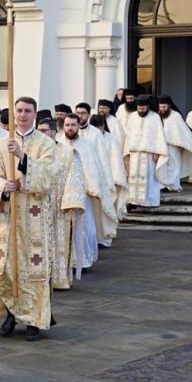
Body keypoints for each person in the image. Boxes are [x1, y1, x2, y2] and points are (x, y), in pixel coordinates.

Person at [0, 97, 57, 341]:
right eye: (19, 111)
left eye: (27, 111)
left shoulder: (45, 143)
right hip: (11, 215)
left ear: (35, 114)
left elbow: (49, 177)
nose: (23, 115)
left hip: (35, 217)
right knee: (7, 267)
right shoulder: (1, 145)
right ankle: (12, 313)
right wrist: (5, 185)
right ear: (13, 113)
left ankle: (35, 320)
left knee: (34, 269)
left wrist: (24, 157)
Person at [60, 113, 117, 267]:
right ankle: (65, 263)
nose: (70, 128)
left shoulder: (86, 145)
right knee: (64, 230)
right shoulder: (57, 144)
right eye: (67, 125)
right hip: (62, 195)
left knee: (87, 229)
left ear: (79, 126)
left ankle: (83, 261)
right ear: (63, 126)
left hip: (84, 195)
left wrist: (95, 189)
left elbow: (94, 168)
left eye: (73, 125)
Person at [37, 117, 86, 290]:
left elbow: (75, 176)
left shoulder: (67, 152)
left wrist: (70, 202)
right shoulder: (32, 152)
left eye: (44, 131)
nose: (41, 135)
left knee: (60, 243)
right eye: (39, 131)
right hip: (37, 208)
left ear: (54, 132)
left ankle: (59, 279)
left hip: (60, 207)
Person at [123, 94, 169, 207]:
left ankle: (150, 201)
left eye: (143, 108)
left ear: (148, 106)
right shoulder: (132, 116)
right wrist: (127, 151)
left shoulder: (155, 117)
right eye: (139, 108)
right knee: (133, 177)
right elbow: (128, 134)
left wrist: (158, 152)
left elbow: (159, 135)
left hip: (149, 153)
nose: (141, 110)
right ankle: (133, 201)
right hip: (134, 153)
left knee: (150, 178)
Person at [157, 95, 192, 192]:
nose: (162, 109)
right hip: (161, 146)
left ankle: (173, 186)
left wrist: (182, 144)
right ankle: (162, 186)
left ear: (169, 106)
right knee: (162, 166)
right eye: (160, 107)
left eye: (164, 107)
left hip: (174, 146)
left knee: (174, 165)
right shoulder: (157, 116)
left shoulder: (176, 116)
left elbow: (182, 131)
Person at [90, 113, 129, 223]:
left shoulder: (111, 139)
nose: (98, 130)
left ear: (103, 126)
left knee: (107, 205)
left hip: (108, 178)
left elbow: (116, 160)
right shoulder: (87, 138)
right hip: (92, 178)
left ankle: (107, 234)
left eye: (100, 127)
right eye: (95, 128)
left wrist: (116, 178)